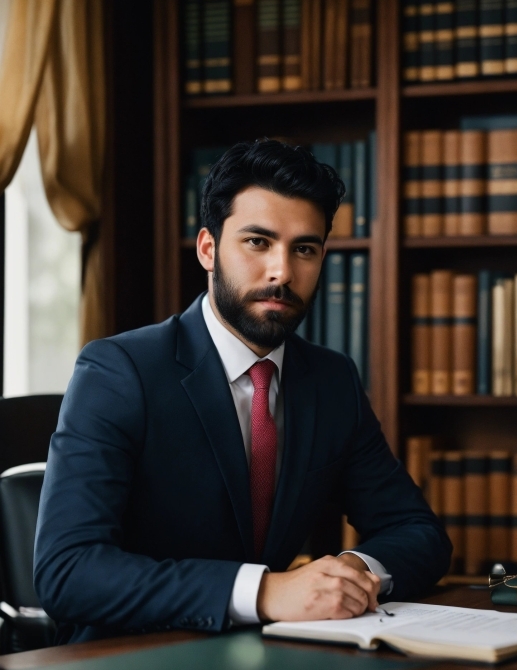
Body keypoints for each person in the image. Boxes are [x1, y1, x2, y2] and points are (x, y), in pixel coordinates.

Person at [34, 139, 452, 644]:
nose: (282, 272)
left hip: (270, 657)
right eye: (258, 242)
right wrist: (265, 592)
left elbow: (421, 534)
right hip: (131, 664)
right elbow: (68, 572)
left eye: (305, 249)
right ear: (208, 249)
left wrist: (350, 570)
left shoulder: (331, 380)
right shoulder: (119, 372)